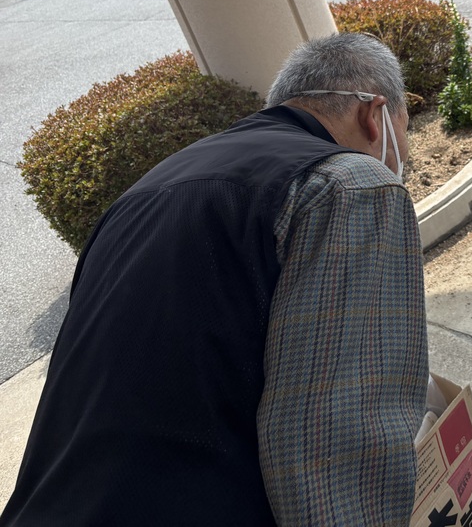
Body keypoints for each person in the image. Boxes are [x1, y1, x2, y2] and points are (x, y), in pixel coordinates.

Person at [0, 33, 428, 525]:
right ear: (374, 116)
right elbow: (334, 449)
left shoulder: (147, 190)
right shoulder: (349, 185)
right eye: (405, 132)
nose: (403, 158)